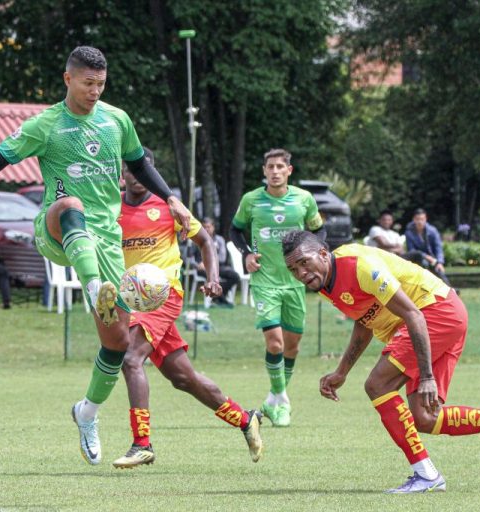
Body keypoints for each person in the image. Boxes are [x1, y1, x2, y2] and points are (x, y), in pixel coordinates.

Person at [0, 46, 191, 465]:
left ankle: (86, 412)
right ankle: (93, 286)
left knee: (116, 342)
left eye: (101, 84)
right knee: (72, 206)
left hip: (108, 242)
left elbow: (140, 165)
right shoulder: (46, 125)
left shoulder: (116, 119)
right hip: (58, 228)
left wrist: (172, 198)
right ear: (68, 79)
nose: (94, 91)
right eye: (88, 83)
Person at [282, 230, 480, 493]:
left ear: (323, 254)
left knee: (378, 385)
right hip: (441, 315)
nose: (301, 273)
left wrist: (427, 376)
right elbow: (365, 323)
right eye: (293, 269)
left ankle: (426, 475)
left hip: (436, 312)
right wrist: (342, 372)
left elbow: (414, 315)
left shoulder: (360, 266)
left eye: (304, 262)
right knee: (424, 418)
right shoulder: (326, 282)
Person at [113, 151, 262, 468]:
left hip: (164, 293)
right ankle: (245, 419)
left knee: (130, 358)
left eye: (145, 169)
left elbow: (206, 241)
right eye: (131, 170)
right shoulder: (113, 209)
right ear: (122, 174)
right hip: (133, 301)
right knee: (183, 378)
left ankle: (142, 444)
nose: (137, 175)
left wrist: (213, 278)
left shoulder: (169, 206)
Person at [229, 148, 326, 427]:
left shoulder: (303, 200)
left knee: (292, 348)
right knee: (275, 342)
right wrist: (246, 253)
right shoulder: (251, 200)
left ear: (289, 171)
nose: (274, 171)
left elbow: (319, 230)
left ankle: (273, 401)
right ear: (264, 171)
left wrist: (315, 251)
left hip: (295, 282)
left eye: (280, 167)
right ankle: (282, 399)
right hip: (265, 281)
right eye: (270, 167)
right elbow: (235, 230)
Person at [187, 217, 240, 306]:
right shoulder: (196, 239)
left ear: (213, 227)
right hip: (202, 268)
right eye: (204, 227)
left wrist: (210, 262)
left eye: (209, 227)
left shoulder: (219, 240)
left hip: (218, 267)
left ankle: (218, 297)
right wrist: (197, 264)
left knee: (235, 276)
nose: (207, 229)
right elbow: (189, 258)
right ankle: (223, 301)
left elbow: (222, 258)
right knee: (211, 277)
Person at [404, 208, 451, 286]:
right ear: (414, 219)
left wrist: (440, 262)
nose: (420, 221)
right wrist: (426, 256)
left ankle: (450, 290)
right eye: (417, 219)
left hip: (433, 259)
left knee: (439, 270)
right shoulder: (409, 233)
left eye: (422, 219)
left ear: (426, 219)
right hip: (418, 259)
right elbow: (411, 251)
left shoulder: (432, 231)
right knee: (424, 265)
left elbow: (438, 248)